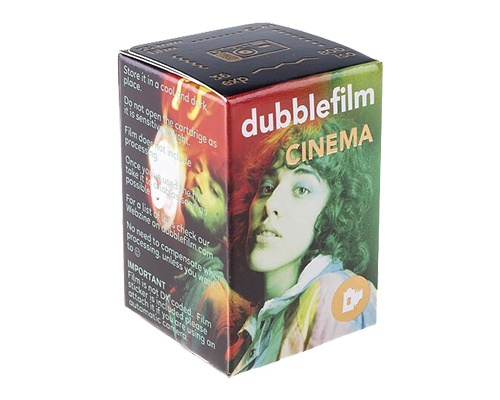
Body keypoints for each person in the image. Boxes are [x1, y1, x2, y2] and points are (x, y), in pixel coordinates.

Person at [229, 117, 379, 375]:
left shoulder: (334, 294)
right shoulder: (259, 324)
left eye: (301, 190)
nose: (270, 204)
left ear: (333, 210)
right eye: (267, 187)